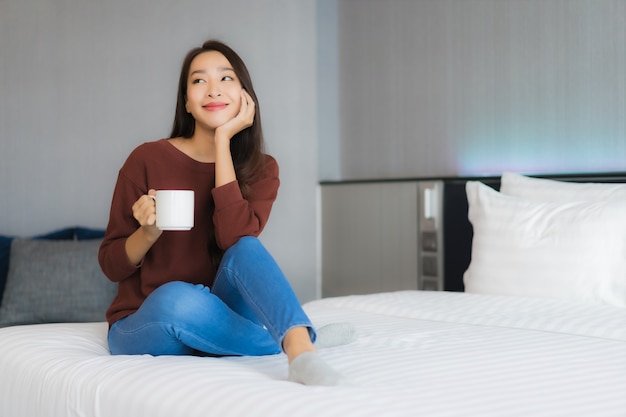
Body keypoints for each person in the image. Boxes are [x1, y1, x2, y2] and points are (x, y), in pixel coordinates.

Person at [98, 40, 354, 386]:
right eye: (199, 81)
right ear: (186, 102)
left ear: (245, 97)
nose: (212, 89)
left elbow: (234, 240)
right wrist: (147, 232)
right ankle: (302, 338)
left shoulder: (262, 169)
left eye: (226, 79)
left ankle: (301, 354)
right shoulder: (146, 159)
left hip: (219, 312)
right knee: (177, 298)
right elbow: (111, 265)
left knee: (247, 247)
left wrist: (222, 143)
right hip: (146, 320)